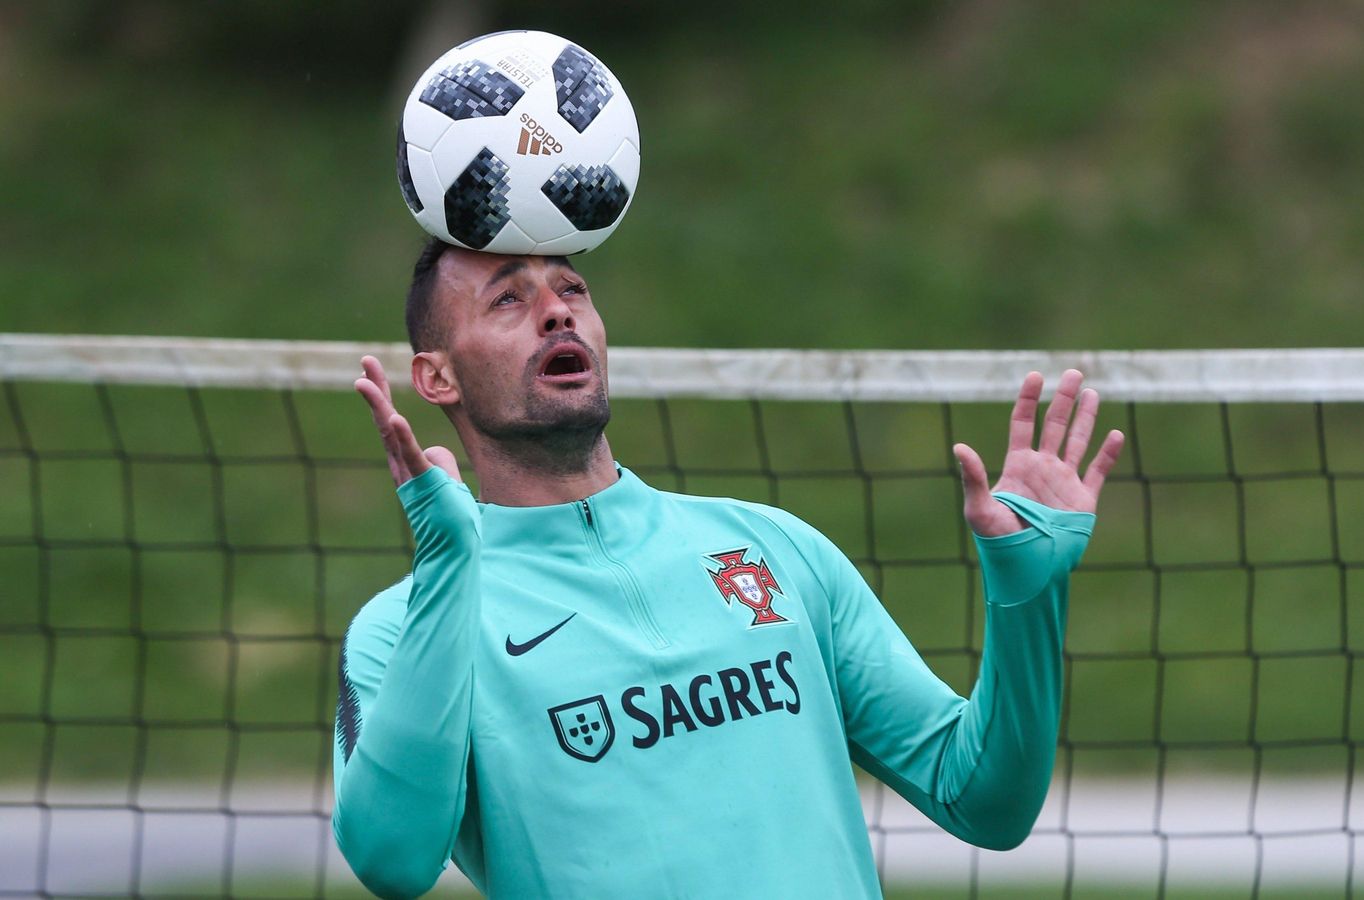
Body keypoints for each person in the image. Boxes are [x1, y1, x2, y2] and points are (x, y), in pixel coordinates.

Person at [332, 237, 1125, 899]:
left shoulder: (774, 547)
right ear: (436, 377)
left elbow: (983, 800)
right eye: (509, 299)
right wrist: (448, 569)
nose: (557, 309)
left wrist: (1027, 595)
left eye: (572, 286)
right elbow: (392, 861)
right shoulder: (405, 628)